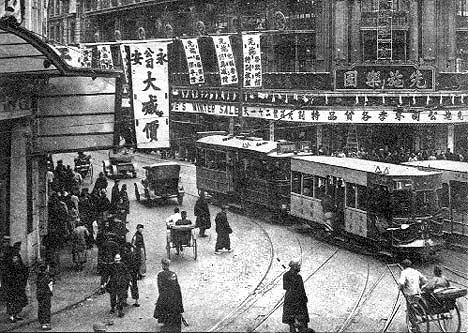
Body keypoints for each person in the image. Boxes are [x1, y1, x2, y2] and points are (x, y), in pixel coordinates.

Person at [154, 258, 184, 332]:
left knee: (163, 308)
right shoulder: (173, 274)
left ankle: (165, 323)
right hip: (174, 295)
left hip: (165, 295)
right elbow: (177, 286)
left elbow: (160, 287)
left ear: (163, 265)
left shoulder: (160, 274)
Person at [398, 259, 428, 329]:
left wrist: (400, 287)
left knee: (410, 309)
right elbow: (424, 280)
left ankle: (415, 327)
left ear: (403, 266)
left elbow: (401, 283)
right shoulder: (416, 271)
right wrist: (419, 285)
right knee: (416, 306)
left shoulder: (404, 272)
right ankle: (421, 316)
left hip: (410, 294)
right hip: (418, 293)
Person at [282, 259, 310, 333]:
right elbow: (286, 287)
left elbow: (285, 287)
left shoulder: (291, 276)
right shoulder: (294, 276)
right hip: (295, 299)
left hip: (294, 299)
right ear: (294, 267)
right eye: (298, 266)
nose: (299, 267)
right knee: (297, 320)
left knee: (296, 320)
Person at [101, 253, 131, 318]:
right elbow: (106, 274)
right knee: (112, 297)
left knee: (121, 297)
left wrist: (129, 281)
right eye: (116, 259)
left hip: (121, 283)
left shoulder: (123, 265)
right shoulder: (111, 266)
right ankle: (112, 307)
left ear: (120, 259)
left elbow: (127, 273)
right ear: (114, 259)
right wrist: (104, 282)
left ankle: (120, 311)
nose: (117, 260)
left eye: (118, 258)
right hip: (113, 283)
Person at [3, 254, 29, 323]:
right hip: (12, 287)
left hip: (20, 286)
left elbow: (25, 274)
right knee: (12, 301)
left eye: (16, 258)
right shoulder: (10, 267)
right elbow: (7, 277)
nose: (14, 259)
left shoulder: (21, 266)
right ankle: (11, 316)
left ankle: (16, 314)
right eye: (13, 258)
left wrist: (23, 281)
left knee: (19, 301)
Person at [121, 243, 140, 307]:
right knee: (134, 286)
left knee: (125, 286)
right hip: (134, 273)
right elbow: (138, 264)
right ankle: (136, 301)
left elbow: (123, 265)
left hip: (127, 273)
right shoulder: (134, 255)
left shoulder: (124, 256)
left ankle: (125, 301)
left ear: (126, 248)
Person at [36, 262, 54, 330]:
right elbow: (50, 284)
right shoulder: (46, 277)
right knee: (46, 308)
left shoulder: (39, 276)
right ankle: (45, 323)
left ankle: (43, 323)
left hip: (40, 294)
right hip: (45, 294)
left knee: (41, 308)